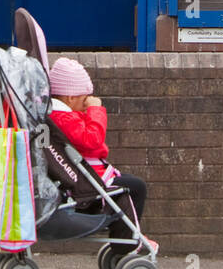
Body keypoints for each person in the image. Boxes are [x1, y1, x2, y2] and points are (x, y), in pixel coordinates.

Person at [47, 57, 152, 255]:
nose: (86, 103)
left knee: (128, 182)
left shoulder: (60, 116)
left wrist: (86, 110)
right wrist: (95, 109)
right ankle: (126, 245)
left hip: (89, 176)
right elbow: (92, 139)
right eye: (83, 98)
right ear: (70, 98)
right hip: (86, 186)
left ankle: (128, 238)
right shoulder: (64, 119)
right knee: (135, 187)